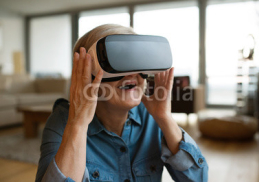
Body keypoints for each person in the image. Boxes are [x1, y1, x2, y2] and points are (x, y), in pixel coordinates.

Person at [35, 24, 208, 182]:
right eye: (118, 62)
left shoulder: (151, 118)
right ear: (87, 75)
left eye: (137, 63)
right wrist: (78, 124)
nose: (131, 74)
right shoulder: (63, 121)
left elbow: (199, 179)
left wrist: (164, 118)